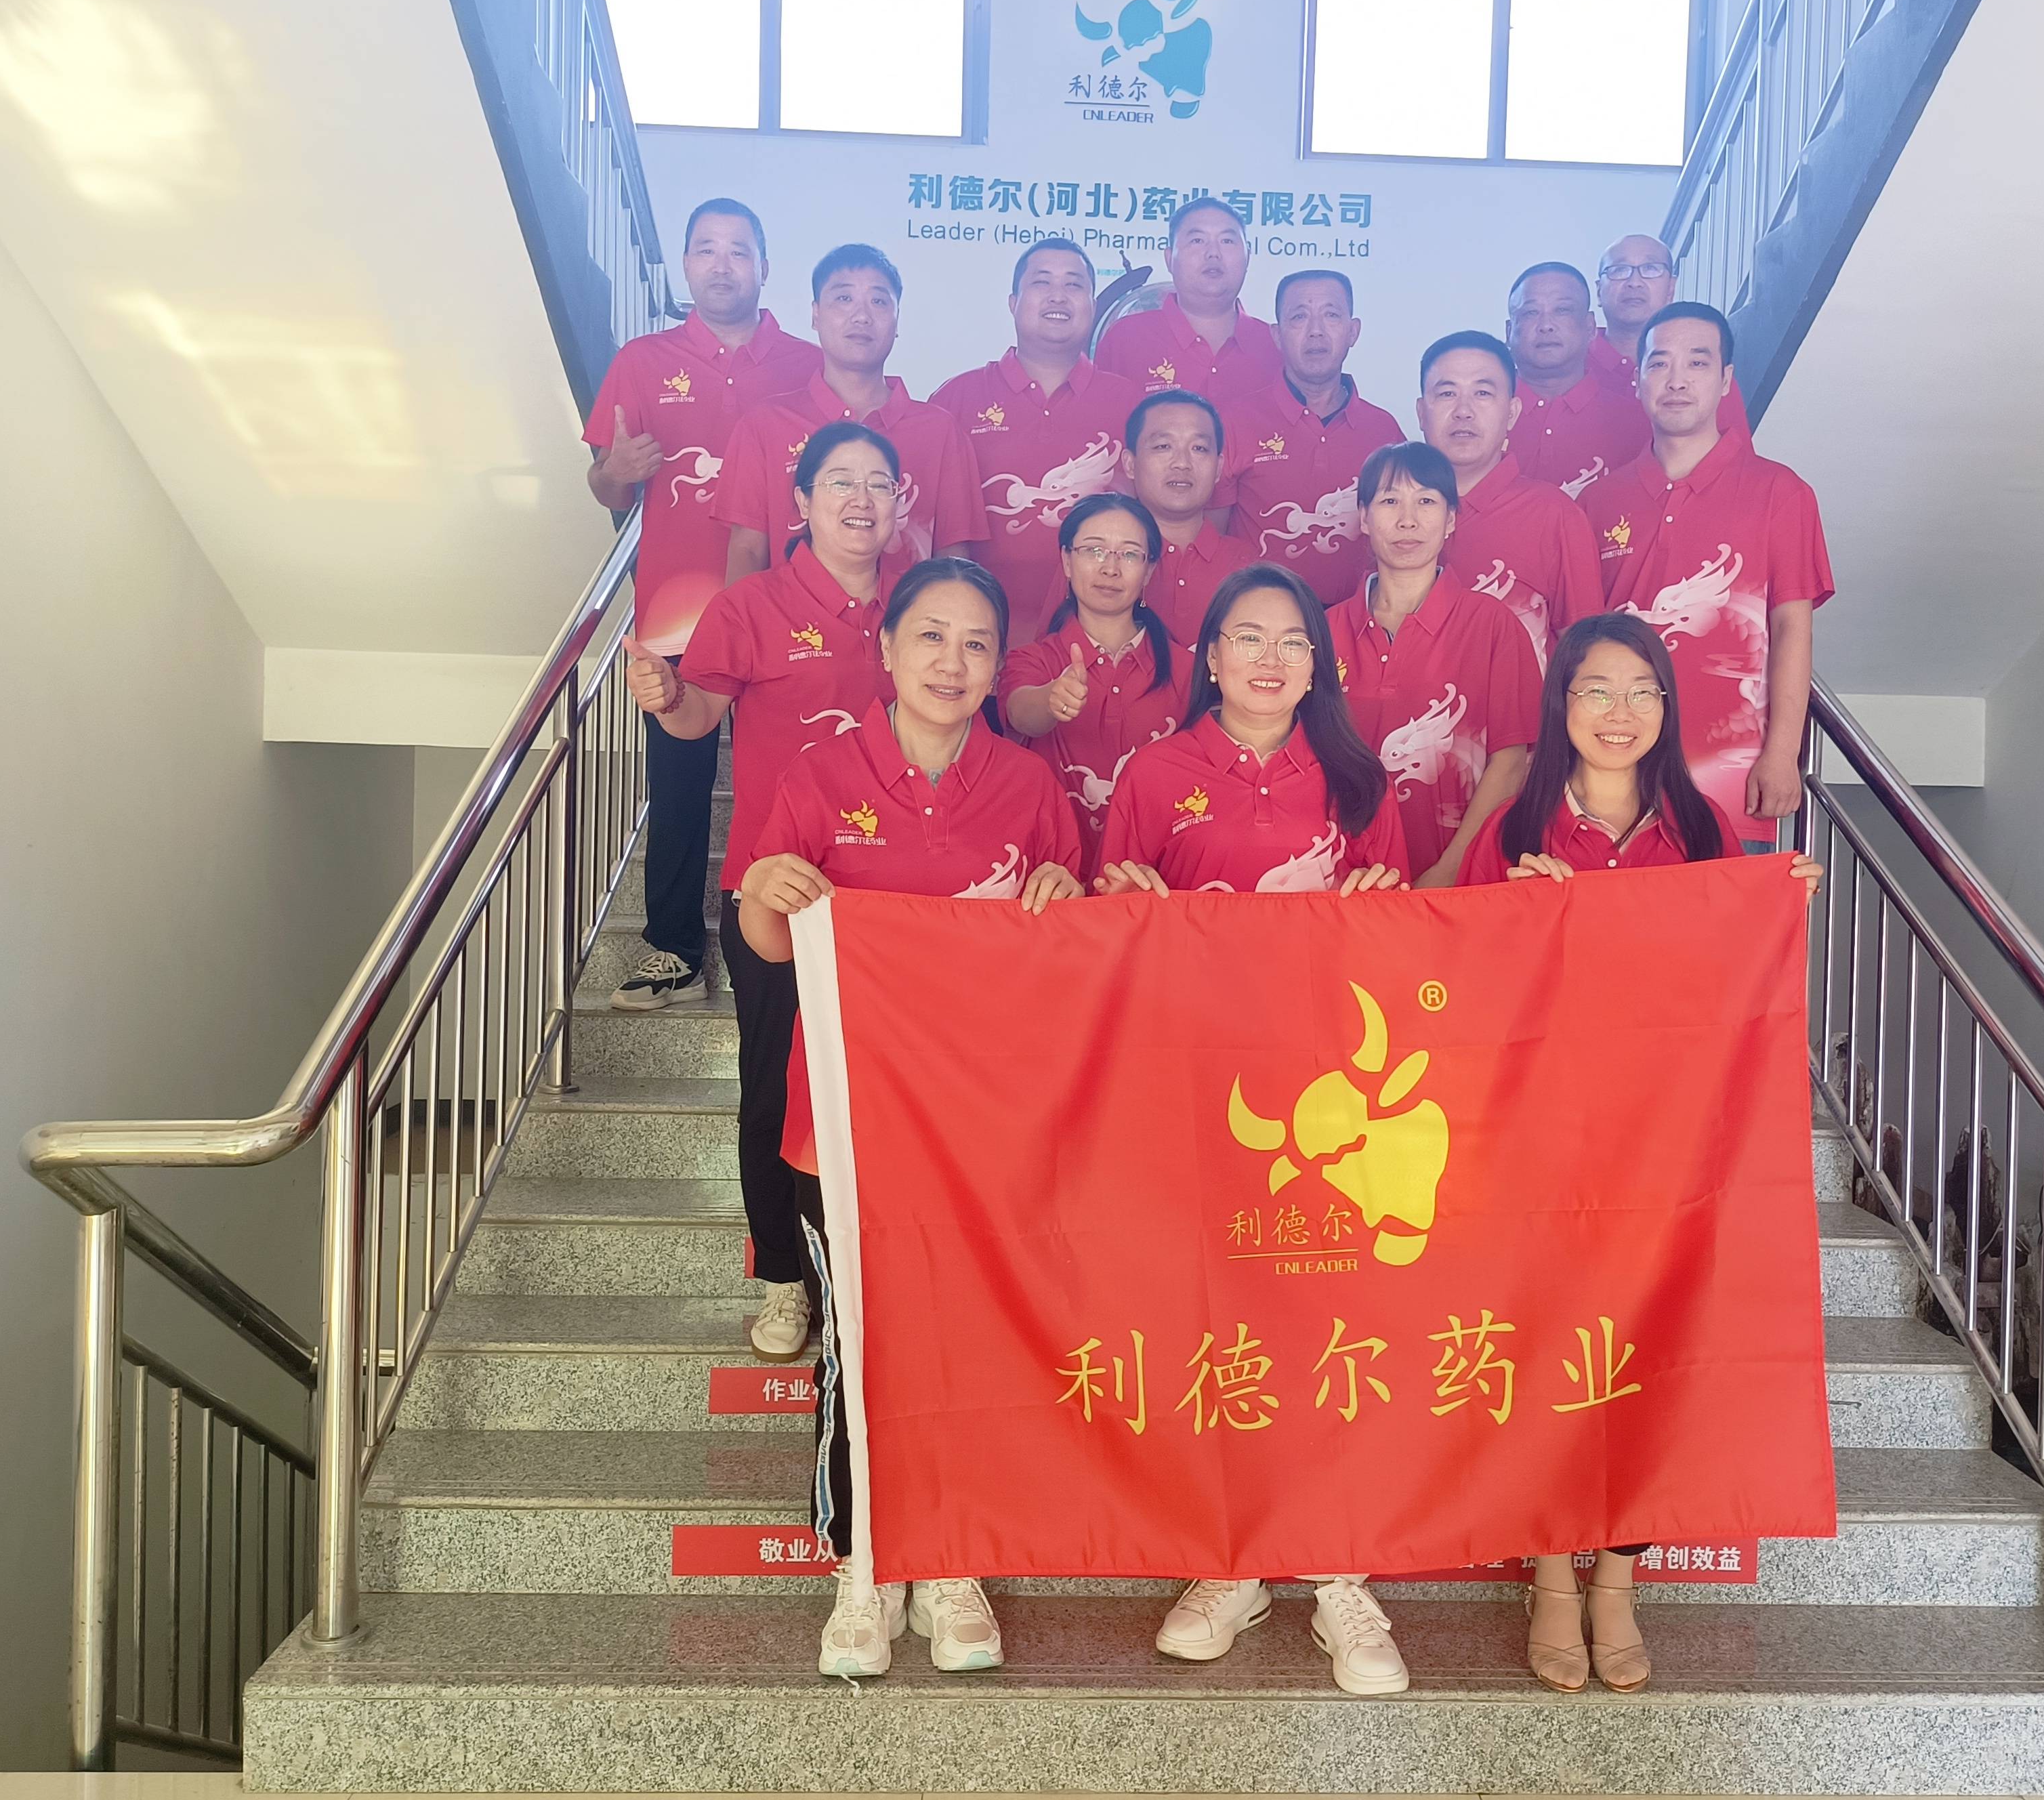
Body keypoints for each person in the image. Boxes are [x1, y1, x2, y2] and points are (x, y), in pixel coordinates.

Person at [732, 556, 1087, 1681]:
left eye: (977, 643)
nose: (952, 661)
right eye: (930, 635)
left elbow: (1071, 951)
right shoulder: (819, 775)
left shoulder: (1028, 786)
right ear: (886, 650)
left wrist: (1063, 899)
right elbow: (768, 945)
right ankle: (866, 1565)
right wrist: (765, 896)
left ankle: (955, 1560)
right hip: (841, 1115)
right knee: (860, 1344)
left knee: (970, 1339)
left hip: (985, 1124)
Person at [1453, 612, 1820, 1693]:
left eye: (1641, 691)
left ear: (1667, 707)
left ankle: (1616, 1581)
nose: (1619, 713)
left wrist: (1773, 908)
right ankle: (1552, 1576)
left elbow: (1725, 987)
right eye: (1596, 690)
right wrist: (1509, 923)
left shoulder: (1702, 832)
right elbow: (1447, 986)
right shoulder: (1516, 828)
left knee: (1647, 1362)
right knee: (1547, 1355)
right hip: (1540, 1149)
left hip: (1665, 1150)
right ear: (1561, 705)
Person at [1095, 564, 1409, 1693]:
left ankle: (1338, 1575)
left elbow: (1405, 962)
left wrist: (1384, 917)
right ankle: (1229, 1564)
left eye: (1291, 641)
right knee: (1214, 1325)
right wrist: (1119, 906)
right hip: (1195, 1100)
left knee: (1330, 1326)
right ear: (1212, 657)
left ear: (1316, 666)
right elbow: (1100, 946)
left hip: (1329, 1114)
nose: (1269, 659)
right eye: (1246, 637)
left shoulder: (1359, 781)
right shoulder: (1154, 774)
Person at [623, 423, 902, 1368]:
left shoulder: (920, 603)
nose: (860, 499)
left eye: (878, 483)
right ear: (803, 502)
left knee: (889, 1092)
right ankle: (785, 1278)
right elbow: (700, 712)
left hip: (897, 899)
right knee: (776, 1090)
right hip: (777, 895)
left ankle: (881, 1266)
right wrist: (667, 698)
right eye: (840, 482)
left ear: (900, 503)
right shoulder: (752, 604)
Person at [582, 196, 820, 1011]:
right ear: (686, 265)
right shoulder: (642, 361)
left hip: (789, 610)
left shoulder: (807, 364)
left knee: (797, 771)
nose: (722, 264)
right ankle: (674, 950)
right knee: (679, 782)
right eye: (706, 249)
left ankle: (809, 935)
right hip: (677, 613)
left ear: (764, 267)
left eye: (739, 250)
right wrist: (616, 471)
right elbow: (606, 487)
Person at [1579, 302, 1832, 847]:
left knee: (1726, 906)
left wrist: (1783, 753)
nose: (1676, 380)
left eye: (1697, 363)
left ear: (1725, 380)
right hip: (1610, 781)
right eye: (1659, 363)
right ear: (1639, 379)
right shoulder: (1599, 500)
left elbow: (1792, 628)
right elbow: (1578, 643)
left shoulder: (1781, 493)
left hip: (1729, 783)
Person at [1329, 443, 1541, 889]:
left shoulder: (1493, 626)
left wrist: (1447, 874)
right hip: (1345, 884)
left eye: (1426, 501)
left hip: (1461, 881)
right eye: (1390, 500)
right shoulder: (1323, 631)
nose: (1407, 520)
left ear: (1450, 519)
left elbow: (1510, 763)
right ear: (1364, 517)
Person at [719, 244, 988, 583]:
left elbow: (954, 560)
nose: (862, 316)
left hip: (905, 617)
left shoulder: (941, 431)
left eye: (879, 301)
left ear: (897, 320)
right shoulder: (764, 425)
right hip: (789, 618)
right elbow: (747, 551)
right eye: (844, 299)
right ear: (815, 315)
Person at [931, 238, 1133, 647]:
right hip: (982, 641)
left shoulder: (1131, 404)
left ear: (1093, 305)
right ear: (1013, 303)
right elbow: (939, 535)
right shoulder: (955, 400)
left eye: (1074, 284)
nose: (1058, 295)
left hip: (1100, 643)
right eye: (1042, 282)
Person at [999, 494, 1189, 871]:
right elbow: (1021, 713)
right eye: (1094, 551)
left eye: (1130, 554)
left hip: (1156, 879)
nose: (1110, 569)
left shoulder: (1188, 669)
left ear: (1149, 570)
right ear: (1067, 561)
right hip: (1054, 877)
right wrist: (1051, 699)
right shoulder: (1032, 660)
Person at [1411, 331, 1604, 663]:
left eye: (1483, 393)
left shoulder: (1555, 515)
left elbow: (1584, 651)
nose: (1463, 411)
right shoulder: (1392, 510)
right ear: (1420, 413)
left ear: (1512, 413)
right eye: (1447, 393)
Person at [1219, 269, 1405, 607]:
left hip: (1360, 621)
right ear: (1277, 336)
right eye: (1299, 317)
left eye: (1331, 315)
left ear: (1353, 331)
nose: (1316, 331)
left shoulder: (1384, 430)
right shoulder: (1235, 421)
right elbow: (1212, 536)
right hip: (1259, 618)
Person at [1092, 196, 1282, 400]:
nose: (1213, 253)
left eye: (1227, 241)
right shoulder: (1125, 338)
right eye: (1197, 240)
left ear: (1248, 257)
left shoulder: (1277, 346)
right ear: (1169, 259)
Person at [1586, 232, 1749, 451]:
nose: (1634, 283)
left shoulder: (1707, 374)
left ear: (1671, 288)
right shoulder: (1570, 366)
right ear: (1598, 291)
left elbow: (1738, 462)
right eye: (1619, 270)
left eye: (1651, 269)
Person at [1120, 388, 1247, 648]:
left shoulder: (1248, 567)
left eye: (1199, 448)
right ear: (1130, 464)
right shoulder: (1096, 556)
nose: (1182, 463)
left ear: (1218, 468)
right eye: (1163, 446)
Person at [1503, 261, 1632, 501]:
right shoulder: (1482, 417)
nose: (1546, 326)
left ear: (1590, 327)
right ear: (1509, 331)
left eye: (1562, 310)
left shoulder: (1637, 422)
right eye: (1530, 312)